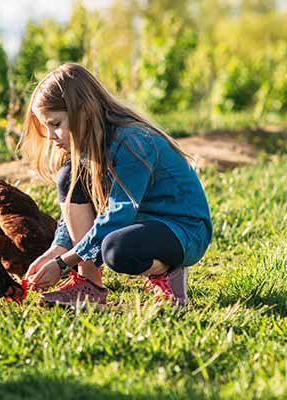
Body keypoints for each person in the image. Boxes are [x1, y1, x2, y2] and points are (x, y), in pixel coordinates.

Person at [21, 63, 212, 308]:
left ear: (83, 112)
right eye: (45, 126)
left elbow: (117, 217)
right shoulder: (88, 151)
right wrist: (55, 251)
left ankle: (167, 271)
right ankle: (88, 285)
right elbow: (75, 216)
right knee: (69, 175)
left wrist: (62, 264)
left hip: (181, 229)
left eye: (56, 124)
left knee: (117, 250)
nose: (50, 135)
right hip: (139, 223)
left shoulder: (133, 142)